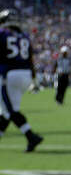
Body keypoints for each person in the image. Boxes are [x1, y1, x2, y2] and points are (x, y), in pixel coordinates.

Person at [0, 10, 44, 152]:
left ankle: (31, 136)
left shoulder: (3, 34)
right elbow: (31, 59)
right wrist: (34, 79)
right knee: (7, 111)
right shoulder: (24, 37)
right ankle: (30, 138)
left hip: (10, 75)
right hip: (25, 75)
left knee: (10, 111)